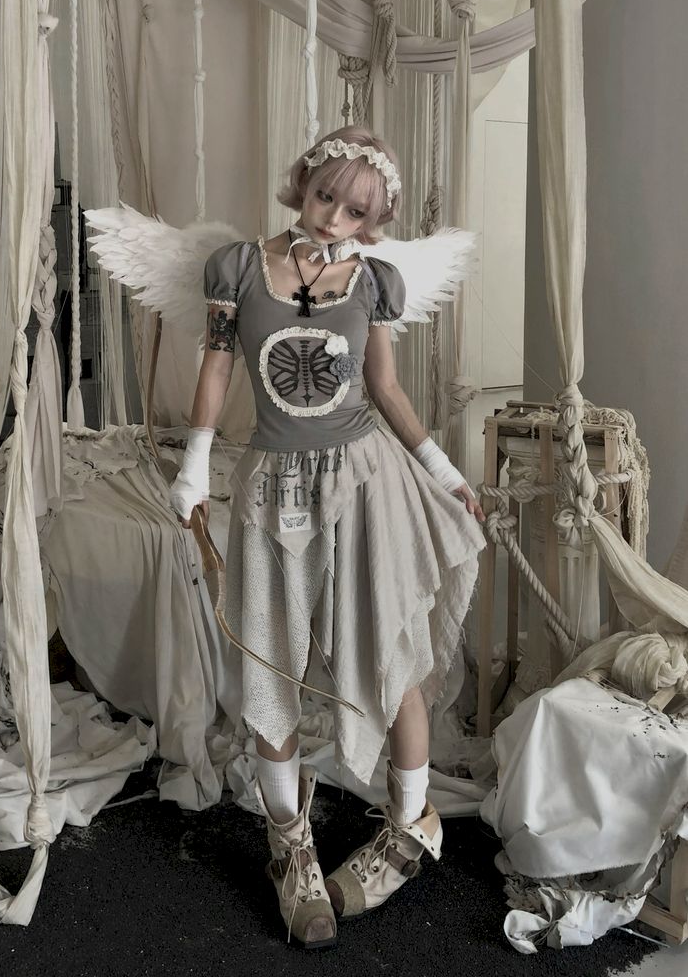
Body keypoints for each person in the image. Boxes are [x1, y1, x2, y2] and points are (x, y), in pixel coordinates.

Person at [169, 125, 486, 948]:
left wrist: (444, 470)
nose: (334, 218)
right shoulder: (238, 268)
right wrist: (194, 462)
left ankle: (411, 825)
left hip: (363, 482)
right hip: (273, 484)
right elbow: (216, 366)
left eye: (355, 212)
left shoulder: (372, 281)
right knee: (270, 662)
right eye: (325, 197)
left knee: (389, 652)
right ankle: (289, 845)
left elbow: (384, 387)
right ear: (302, 185)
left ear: (372, 223)